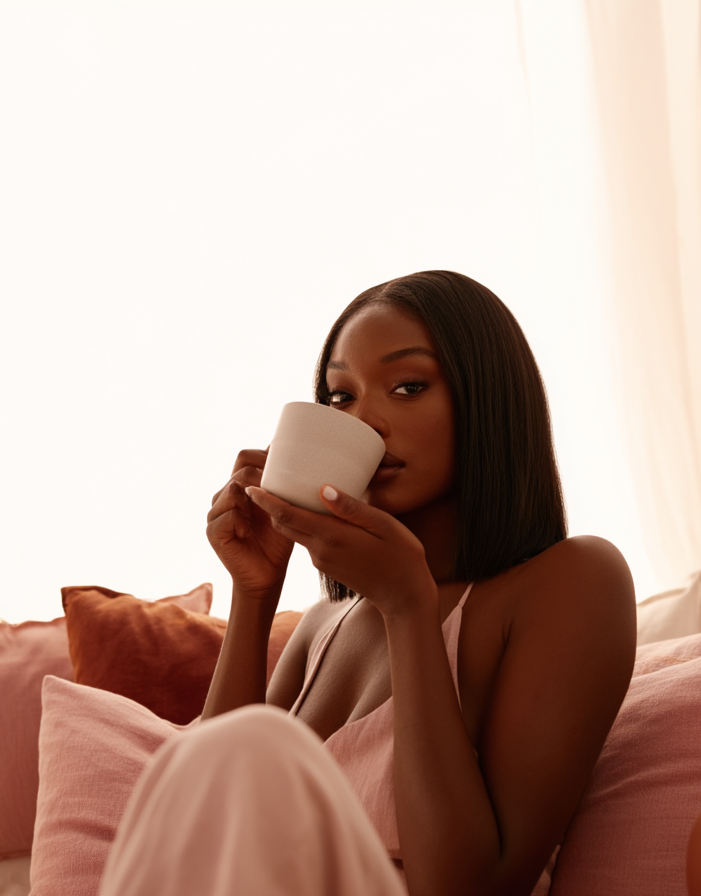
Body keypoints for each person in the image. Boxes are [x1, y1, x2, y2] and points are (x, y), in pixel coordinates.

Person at [98, 271, 636, 896]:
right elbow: (203, 826)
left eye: (408, 387)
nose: (365, 422)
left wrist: (410, 610)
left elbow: (472, 888)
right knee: (232, 752)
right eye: (340, 397)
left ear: (489, 399)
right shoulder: (326, 625)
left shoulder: (574, 580)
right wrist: (254, 592)